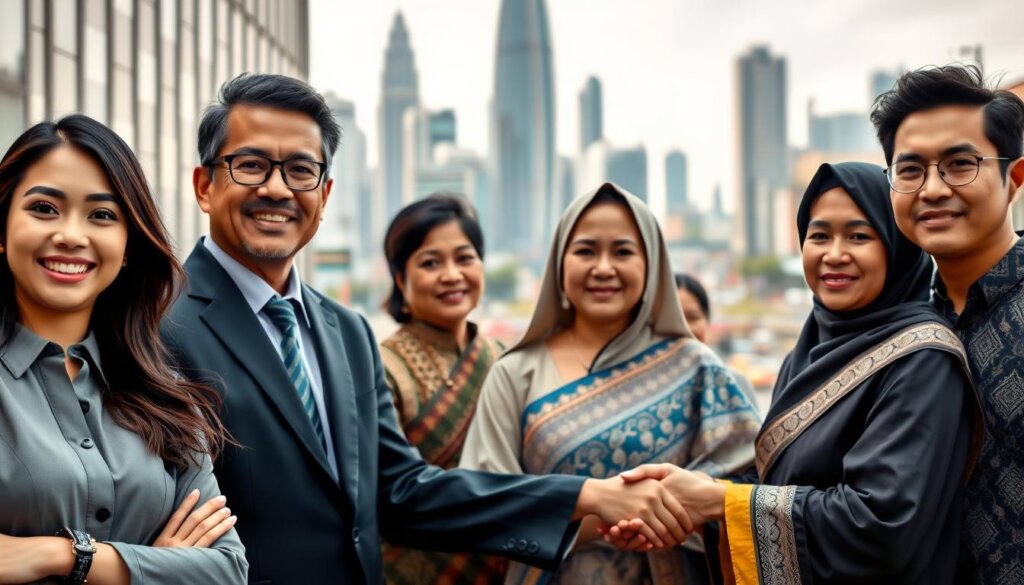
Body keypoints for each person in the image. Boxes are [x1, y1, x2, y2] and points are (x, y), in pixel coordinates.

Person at [160, 73, 694, 585]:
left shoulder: (346, 332)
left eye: (301, 170)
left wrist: (586, 497)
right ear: (205, 185)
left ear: (323, 196)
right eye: (250, 165)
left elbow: (401, 493)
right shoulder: (154, 328)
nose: (277, 189)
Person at [615, 162, 982, 584]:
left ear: (898, 246)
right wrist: (682, 501)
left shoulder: (923, 361)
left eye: (859, 236)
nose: (834, 254)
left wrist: (722, 502)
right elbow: (784, 478)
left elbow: (881, 524)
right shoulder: (810, 350)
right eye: (819, 235)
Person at [460, 183, 762, 584]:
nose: (603, 267)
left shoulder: (699, 371)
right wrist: (607, 511)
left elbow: (750, 492)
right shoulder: (515, 374)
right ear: (559, 264)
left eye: (622, 251)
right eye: (586, 251)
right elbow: (484, 501)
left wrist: (673, 516)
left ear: (651, 265)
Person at [0, 115, 246, 584]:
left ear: (128, 244)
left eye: (102, 215)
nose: (72, 235)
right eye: (44, 209)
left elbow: (227, 571)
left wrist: (64, 556)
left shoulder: (166, 395)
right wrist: (154, 564)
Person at [870, 64, 1024, 584]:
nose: (933, 189)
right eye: (910, 170)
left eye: (961, 164)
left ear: (1014, 179)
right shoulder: (901, 336)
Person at [379, 194, 506, 584]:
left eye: (464, 258)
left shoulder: (505, 360)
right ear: (402, 279)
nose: (452, 275)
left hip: (504, 561)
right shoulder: (381, 367)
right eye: (431, 263)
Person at [674, 273, 758, 410]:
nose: (685, 328)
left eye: (693, 318)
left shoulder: (735, 384)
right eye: (675, 317)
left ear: (707, 321)